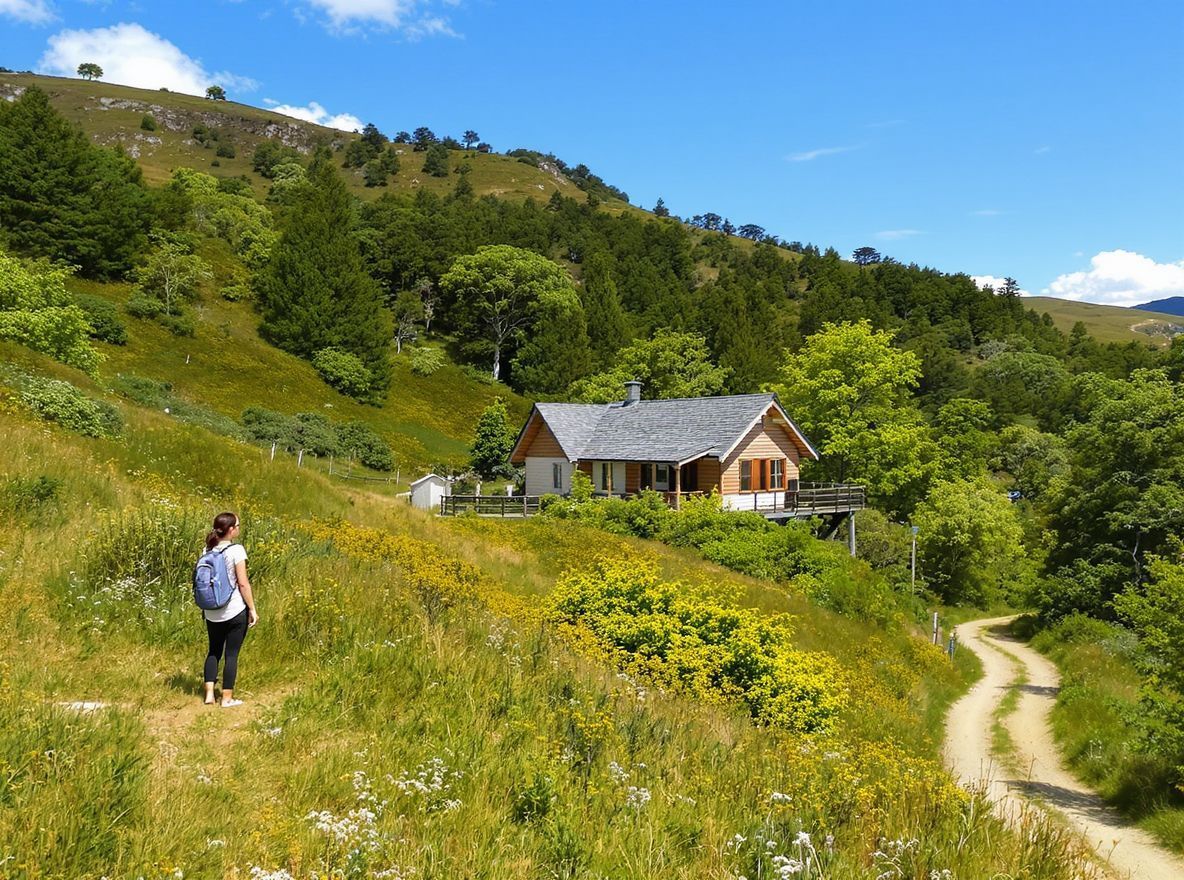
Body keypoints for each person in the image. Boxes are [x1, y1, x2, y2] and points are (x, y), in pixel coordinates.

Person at [202, 512, 258, 707]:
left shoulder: (207, 550)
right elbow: (243, 584)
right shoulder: (237, 550)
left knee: (213, 651)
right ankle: (226, 698)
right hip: (234, 610)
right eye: (238, 525)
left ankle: (209, 694)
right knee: (231, 654)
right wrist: (252, 609)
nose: (239, 528)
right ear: (231, 530)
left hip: (211, 611)